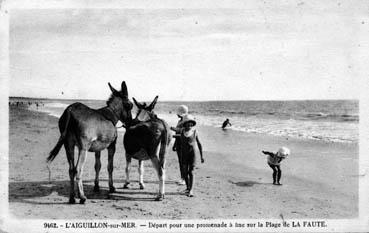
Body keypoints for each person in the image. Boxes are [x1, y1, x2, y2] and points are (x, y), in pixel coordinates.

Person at [178, 114, 204, 197]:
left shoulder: (194, 132)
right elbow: (177, 138)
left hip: (192, 154)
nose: (189, 125)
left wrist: (201, 156)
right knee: (185, 172)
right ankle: (188, 187)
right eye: (187, 124)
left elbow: (199, 144)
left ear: (192, 124)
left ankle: (191, 190)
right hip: (184, 154)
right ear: (184, 124)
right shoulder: (181, 131)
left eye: (191, 124)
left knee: (191, 172)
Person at [170, 105, 189, 185]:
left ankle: (184, 179)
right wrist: (174, 145)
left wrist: (172, 130)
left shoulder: (184, 122)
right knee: (181, 162)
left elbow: (183, 133)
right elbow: (178, 133)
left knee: (183, 162)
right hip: (179, 143)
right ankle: (182, 177)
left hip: (183, 144)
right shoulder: (181, 121)